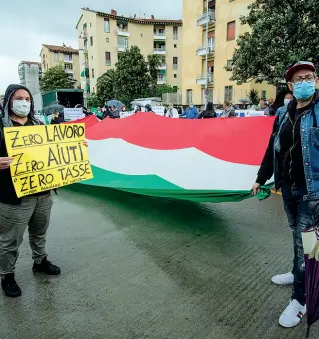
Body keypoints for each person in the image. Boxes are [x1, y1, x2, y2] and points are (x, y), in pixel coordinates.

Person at [252, 61, 319, 328]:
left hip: (312, 193)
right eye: (298, 79)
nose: (304, 82)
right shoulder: (282, 113)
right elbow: (273, 149)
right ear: (290, 85)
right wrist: (261, 178)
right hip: (288, 189)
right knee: (298, 237)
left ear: (315, 80)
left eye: (309, 77)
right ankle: (296, 273)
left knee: (306, 245)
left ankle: (300, 299)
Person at [0, 84, 61, 298]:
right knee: (10, 239)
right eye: (19, 98)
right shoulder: (1, 127)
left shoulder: (39, 125)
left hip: (42, 192)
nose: (24, 102)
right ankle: (7, 275)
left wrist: (74, 148)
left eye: (27, 98)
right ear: (9, 101)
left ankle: (40, 261)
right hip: (13, 197)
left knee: (39, 231)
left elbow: (52, 152)